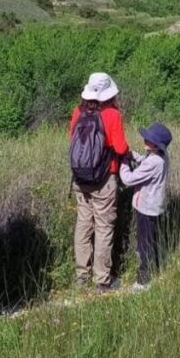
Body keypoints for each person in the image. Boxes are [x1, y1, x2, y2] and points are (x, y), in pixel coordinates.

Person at [69, 72, 129, 292]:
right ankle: (102, 279)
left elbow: (72, 140)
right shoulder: (112, 114)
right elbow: (121, 148)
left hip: (80, 178)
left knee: (84, 224)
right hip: (104, 178)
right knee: (104, 227)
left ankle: (81, 276)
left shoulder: (78, 112)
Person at [119, 123, 172, 290]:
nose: (145, 139)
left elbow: (128, 179)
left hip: (147, 208)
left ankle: (144, 280)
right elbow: (144, 160)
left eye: (149, 139)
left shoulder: (154, 162)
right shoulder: (160, 156)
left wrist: (123, 163)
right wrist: (131, 155)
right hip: (153, 207)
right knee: (151, 240)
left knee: (145, 244)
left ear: (156, 144)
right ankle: (153, 269)